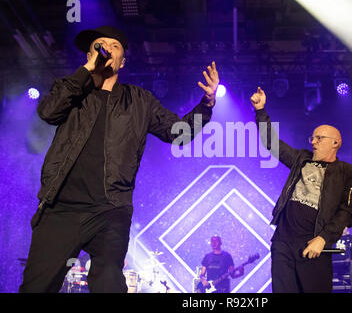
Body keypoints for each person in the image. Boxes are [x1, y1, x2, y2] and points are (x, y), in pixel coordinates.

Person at [19, 25, 219, 293]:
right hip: (61, 207)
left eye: (114, 46)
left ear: (122, 61)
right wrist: (86, 73)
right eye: (99, 45)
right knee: (36, 287)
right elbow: (48, 112)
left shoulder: (138, 100)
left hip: (111, 208)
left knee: (110, 285)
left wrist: (206, 105)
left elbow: (178, 133)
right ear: (89, 56)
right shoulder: (72, 90)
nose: (106, 50)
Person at [250, 87, 352, 293]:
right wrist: (260, 111)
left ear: (335, 143)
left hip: (313, 242)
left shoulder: (347, 172)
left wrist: (323, 239)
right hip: (283, 241)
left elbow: (346, 212)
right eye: (312, 138)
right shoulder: (302, 158)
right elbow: (272, 144)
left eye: (319, 138)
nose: (313, 142)